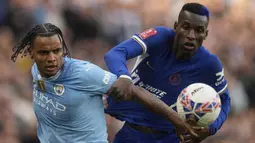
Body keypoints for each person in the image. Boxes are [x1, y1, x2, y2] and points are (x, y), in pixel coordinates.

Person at [11, 23, 197, 143]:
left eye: (57, 51)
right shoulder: (36, 71)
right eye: (44, 53)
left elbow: (135, 92)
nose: (52, 58)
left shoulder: (83, 73)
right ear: (32, 54)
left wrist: (176, 119)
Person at [104, 3, 231, 143]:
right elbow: (116, 53)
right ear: (176, 26)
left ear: (205, 34)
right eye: (186, 27)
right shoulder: (160, 37)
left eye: (199, 30)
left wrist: (211, 128)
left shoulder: (210, 64)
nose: (191, 36)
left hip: (170, 137)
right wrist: (123, 76)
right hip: (132, 133)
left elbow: (225, 100)